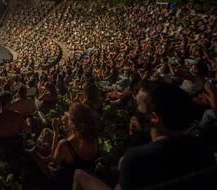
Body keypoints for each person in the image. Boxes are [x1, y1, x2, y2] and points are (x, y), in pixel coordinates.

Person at [73, 81, 214, 190]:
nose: (135, 110)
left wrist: (127, 160)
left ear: (154, 117)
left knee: (79, 174)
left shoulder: (137, 158)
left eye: (138, 106)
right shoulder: (201, 147)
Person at [32, 103, 100, 190]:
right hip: (84, 181)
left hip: (67, 183)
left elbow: (53, 162)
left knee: (33, 153)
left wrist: (55, 133)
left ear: (72, 121)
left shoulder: (65, 144)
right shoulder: (93, 139)